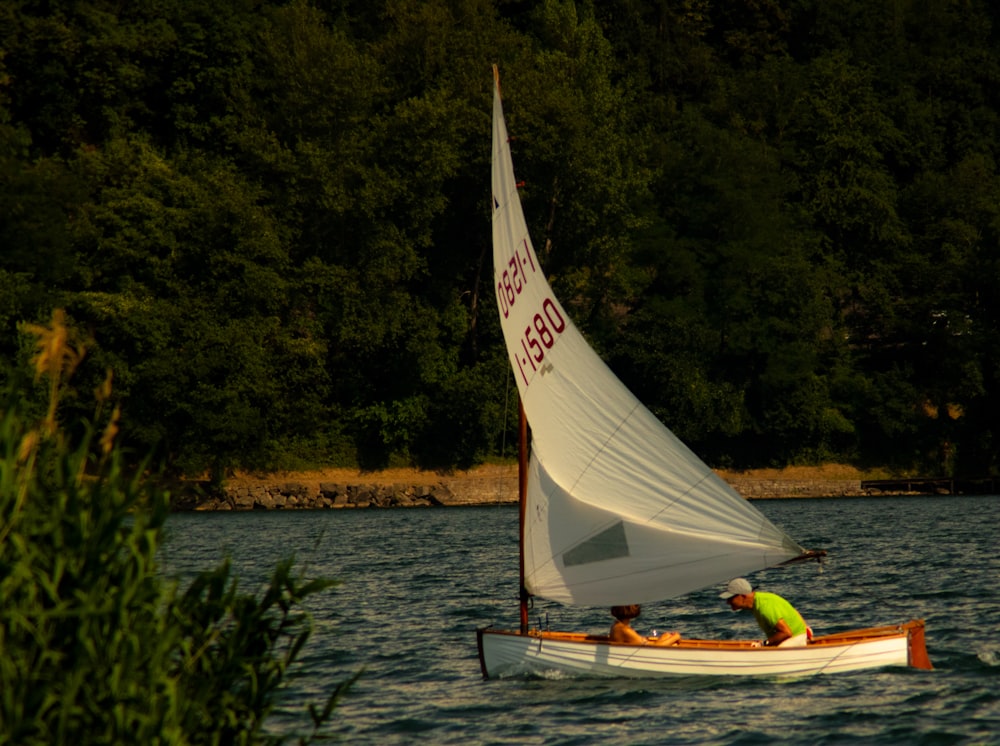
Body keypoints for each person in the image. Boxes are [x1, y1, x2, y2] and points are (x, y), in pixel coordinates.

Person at [719, 578, 811, 647]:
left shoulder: (764, 606)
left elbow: (786, 633)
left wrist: (763, 643)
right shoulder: (759, 601)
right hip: (798, 635)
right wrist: (805, 628)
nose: (727, 602)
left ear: (743, 596)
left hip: (794, 638)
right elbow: (794, 610)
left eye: (730, 598)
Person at [609, 605, 680, 645]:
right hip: (648, 650)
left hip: (642, 648)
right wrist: (676, 637)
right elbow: (654, 648)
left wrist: (667, 637)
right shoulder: (625, 630)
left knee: (666, 635)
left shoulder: (616, 625)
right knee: (674, 644)